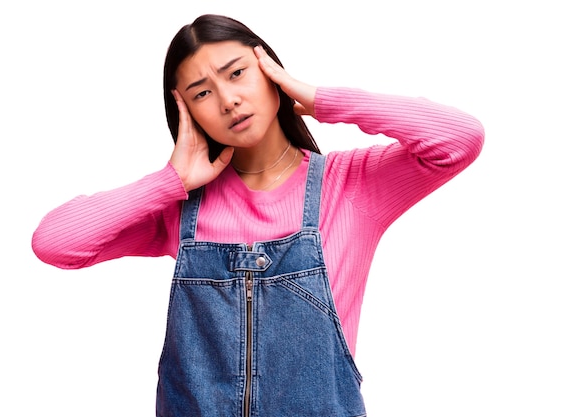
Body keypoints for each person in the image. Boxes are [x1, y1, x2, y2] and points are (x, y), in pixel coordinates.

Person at [32, 13, 484, 417]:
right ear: (186, 112)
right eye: (203, 92)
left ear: (270, 71)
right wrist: (170, 181)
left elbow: (460, 139)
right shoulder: (179, 207)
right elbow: (55, 243)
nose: (228, 99)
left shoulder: (351, 185)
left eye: (238, 73)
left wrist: (320, 98)